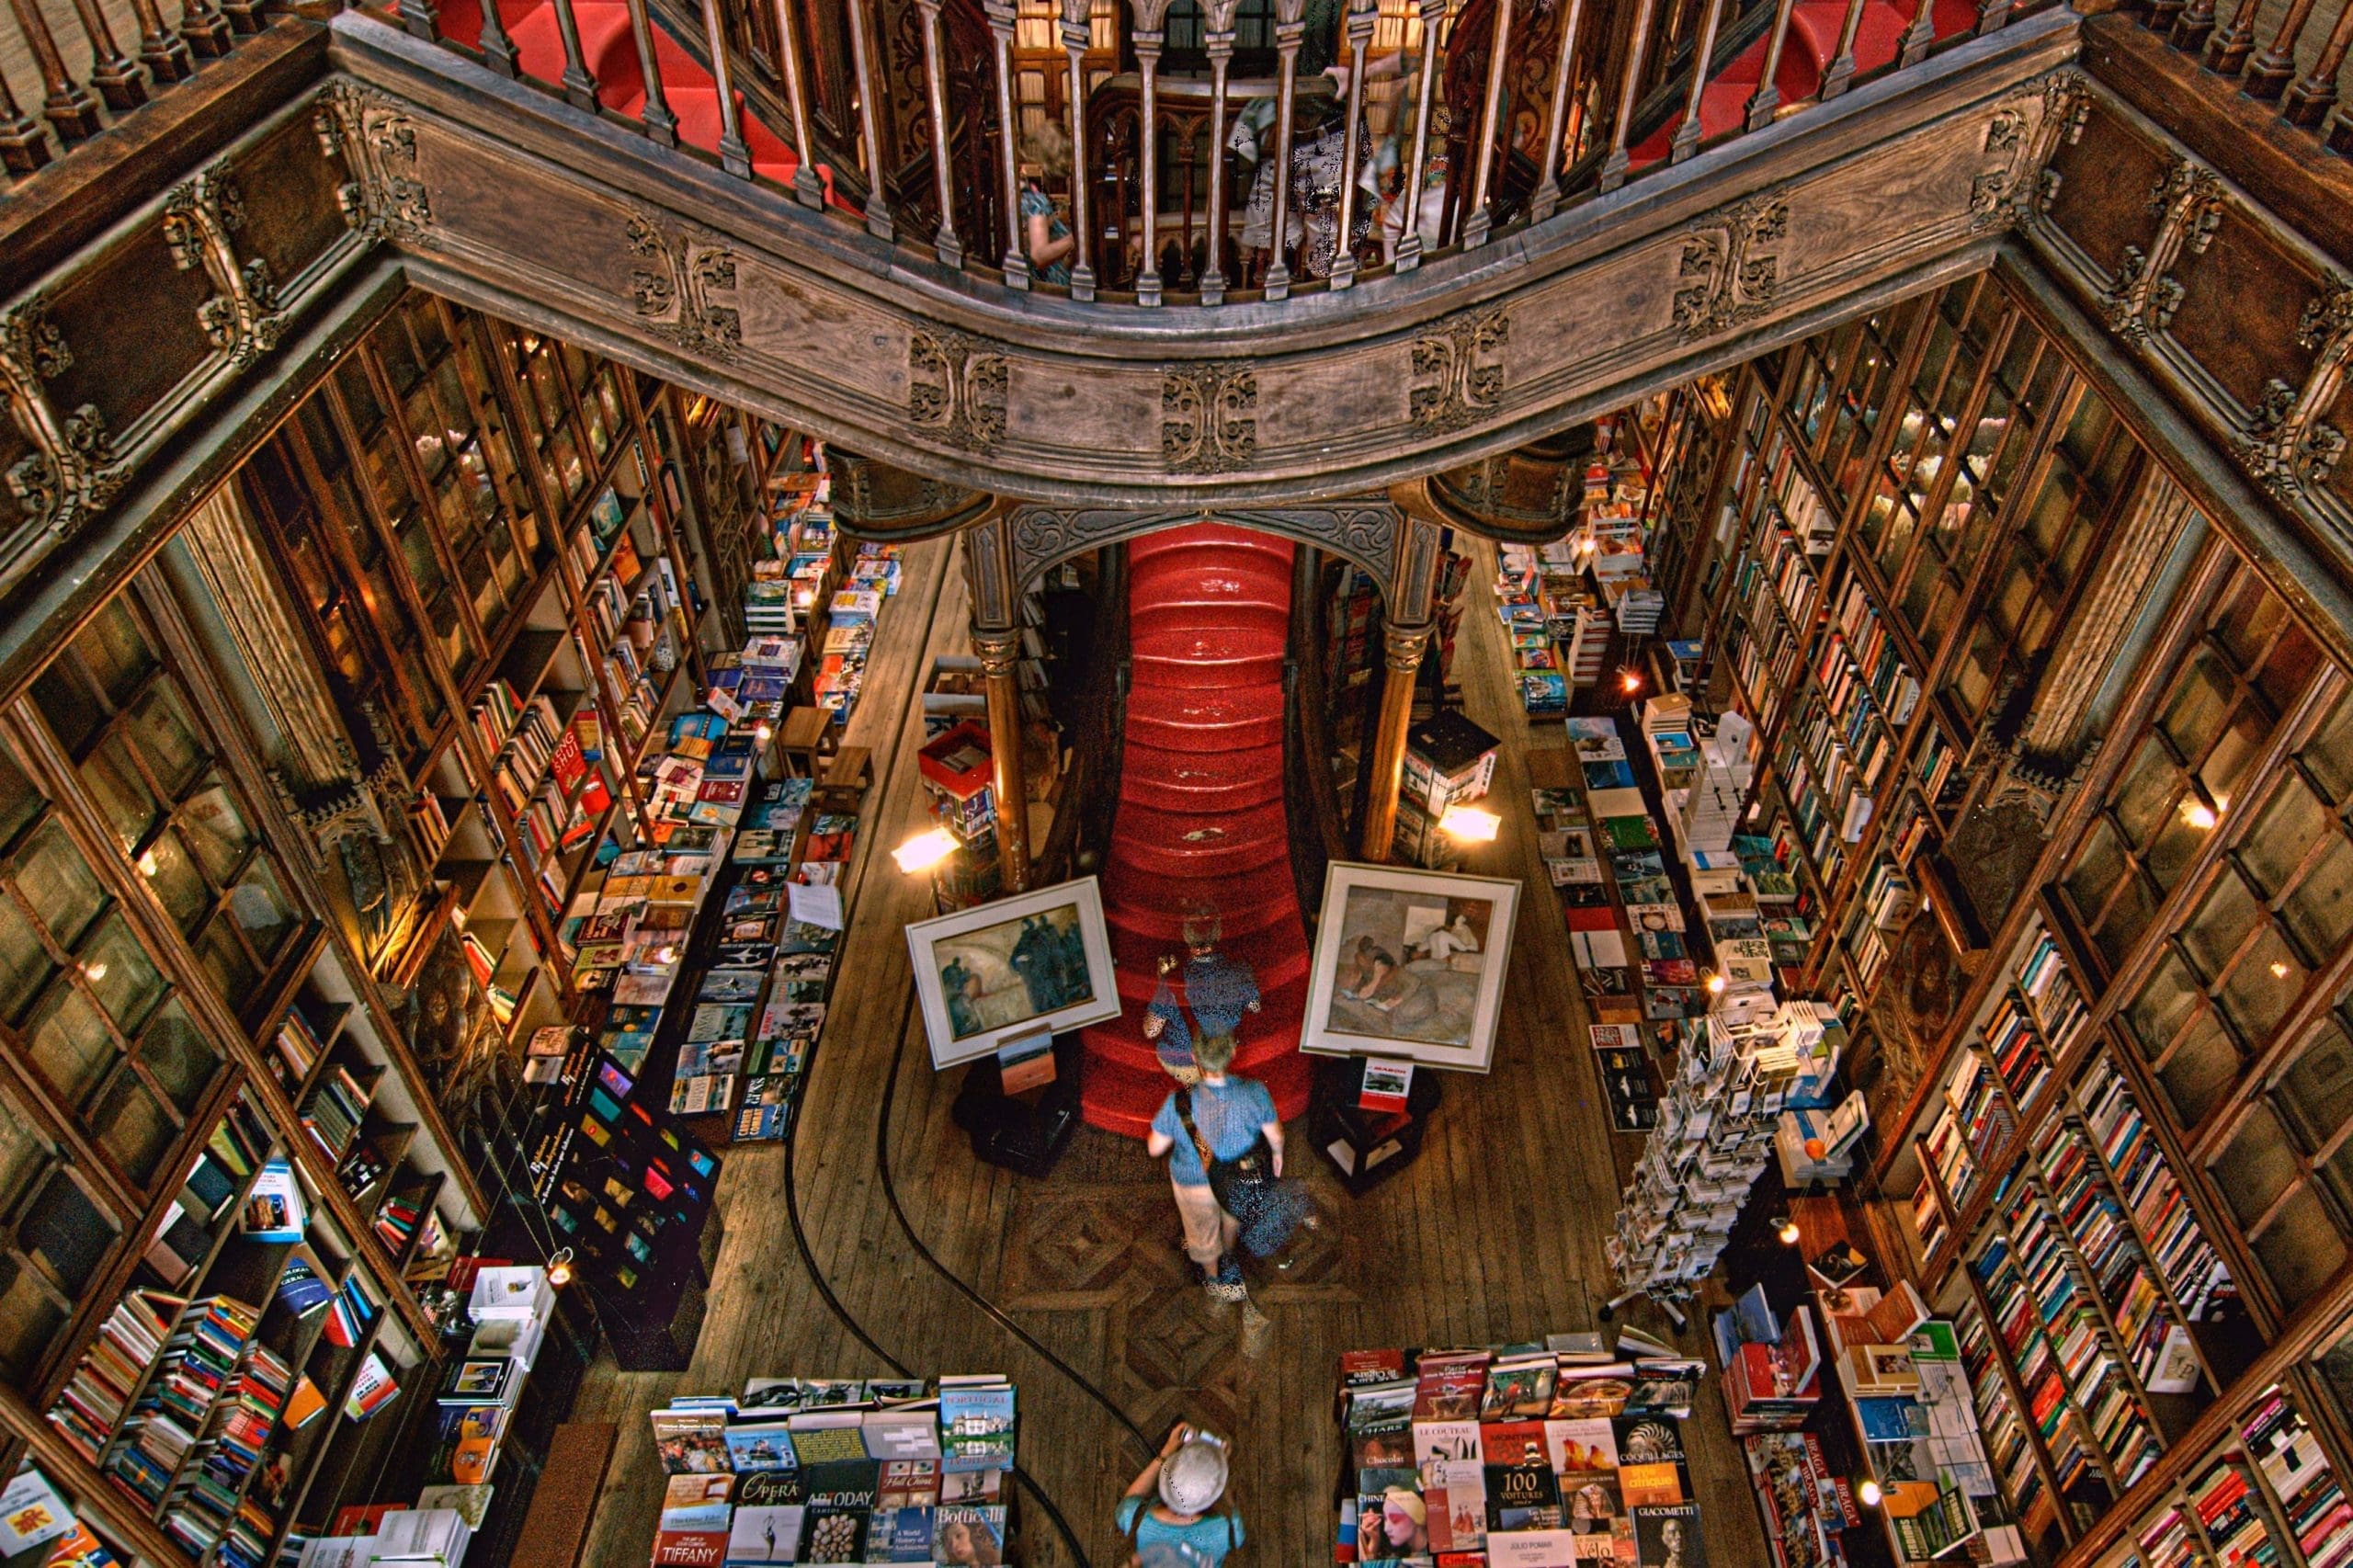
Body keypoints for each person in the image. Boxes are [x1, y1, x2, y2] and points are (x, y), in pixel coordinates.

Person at [1146, 1029, 1281, 1301]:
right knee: (1231, 1214)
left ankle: (1213, 1277)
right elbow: (1275, 1135)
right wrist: (1277, 1156)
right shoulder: (1255, 1091)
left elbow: (1154, 1148)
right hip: (1238, 1176)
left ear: (1195, 1057)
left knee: (1202, 1231)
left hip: (1194, 1183)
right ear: (1232, 1053)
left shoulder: (1178, 1104)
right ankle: (1229, 1252)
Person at [1117, 1424, 1243, 1567]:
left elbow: (1129, 1501)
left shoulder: (1133, 1516)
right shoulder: (1228, 1530)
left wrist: (1165, 1453)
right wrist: (1218, 1466)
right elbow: (1233, 1517)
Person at [1018, 128, 1075, 286]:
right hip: (1048, 290)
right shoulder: (1036, 201)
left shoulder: (1022, 191)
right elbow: (1039, 256)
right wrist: (1076, 238)